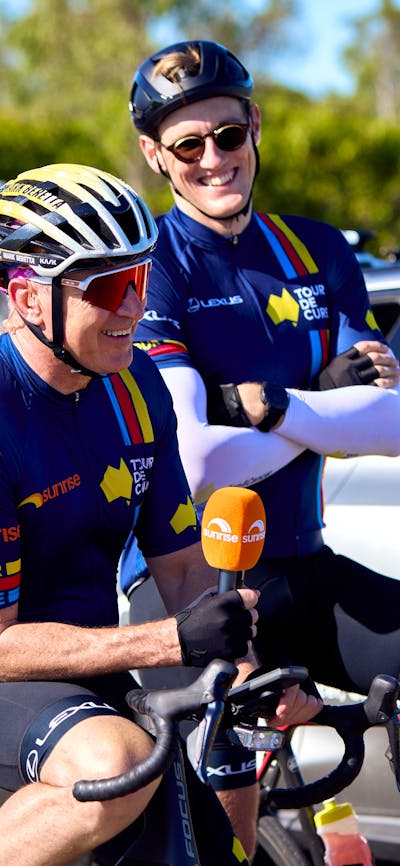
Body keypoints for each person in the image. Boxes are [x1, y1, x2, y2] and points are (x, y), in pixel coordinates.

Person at [129, 39, 400, 856]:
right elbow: (196, 462)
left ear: (255, 129)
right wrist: (325, 405)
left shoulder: (316, 252)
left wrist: (269, 403)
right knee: (229, 810)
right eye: (188, 145)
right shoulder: (155, 266)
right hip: (194, 581)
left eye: (229, 135)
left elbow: (390, 425)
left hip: (304, 562)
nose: (215, 159)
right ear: (157, 157)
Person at [0, 161, 302, 866]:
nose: (135, 307)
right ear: (29, 297)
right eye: (109, 286)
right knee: (114, 765)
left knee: (224, 851)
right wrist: (166, 643)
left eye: (142, 277)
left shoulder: (136, 386)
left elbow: (183, 568)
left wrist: (252, 671)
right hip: (17, 682)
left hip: (86, 682)